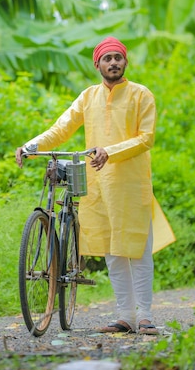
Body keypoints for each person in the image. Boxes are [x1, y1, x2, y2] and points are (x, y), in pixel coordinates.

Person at [15, 37, 175, 335]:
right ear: (97, 64)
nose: (113, 62)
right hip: (99, 185)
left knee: (137, 249)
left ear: (125, 62)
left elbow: (146, 138)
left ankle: (145, 315)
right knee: (113, 252)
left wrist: (110, 151)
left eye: (118, 57)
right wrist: (30, 145)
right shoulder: (88, 97)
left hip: (132, 184)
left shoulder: (142, 95)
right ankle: (125, 316)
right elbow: (62, 127)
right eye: (107, 58)